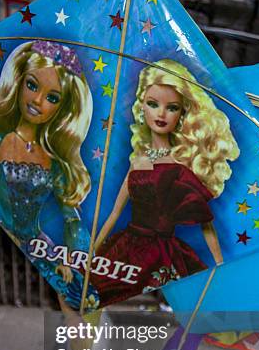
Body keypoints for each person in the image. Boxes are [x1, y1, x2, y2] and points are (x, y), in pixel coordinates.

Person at [0, 40, 96, 308]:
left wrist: (72, 259)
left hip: (40, 248)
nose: (38, 101)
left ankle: (72, 347)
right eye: (32, 85)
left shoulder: (56, 163)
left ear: (62, 108)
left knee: (75, 300)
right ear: (18, 83)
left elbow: (71, 219)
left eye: (52, 98)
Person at [90, 59, 240, 307]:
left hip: (162, 252)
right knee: (99, 295)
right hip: (127, 245)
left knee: (171, 307)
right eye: (153, 104)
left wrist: (220, 266)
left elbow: (205, 223)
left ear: (182, 114)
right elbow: (115, 213)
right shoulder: (138, 159)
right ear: (142, 108)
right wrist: (91, 254)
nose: (161, 114)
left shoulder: (181, 165)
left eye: (171, 108)